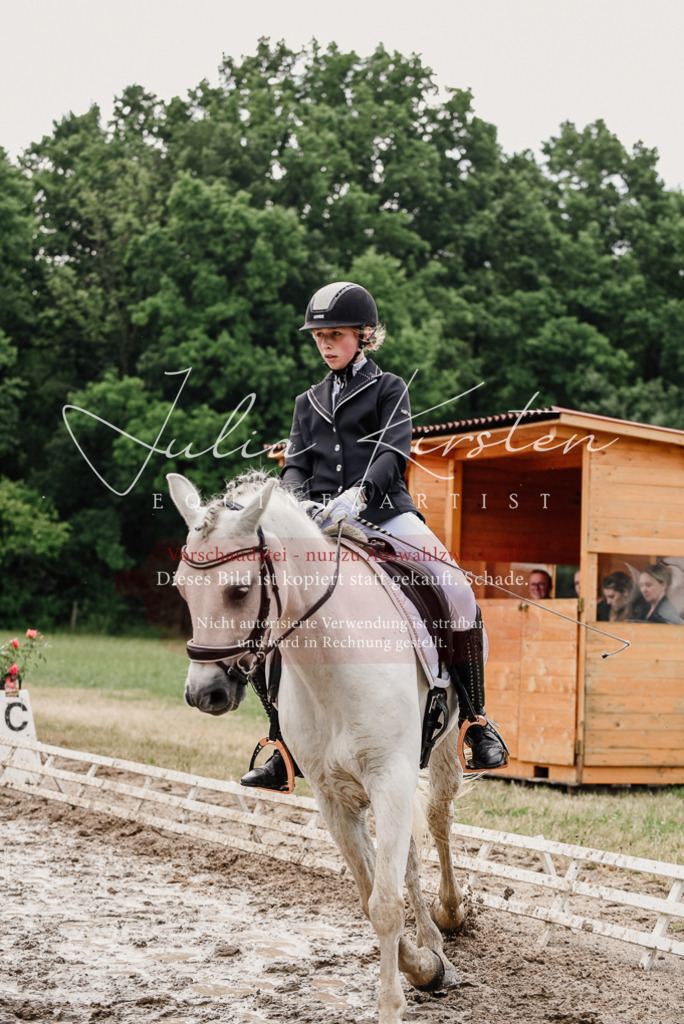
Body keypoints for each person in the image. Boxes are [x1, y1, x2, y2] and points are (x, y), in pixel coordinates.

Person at [240, 281, 508, 790]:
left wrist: (360, 495)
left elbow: (393, 451)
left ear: (363, 335)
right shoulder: (307, 401)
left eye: (335, 334)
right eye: (319, 336)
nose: (325, 343)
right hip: (320, 524)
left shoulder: (390, 389)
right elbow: (295, 465)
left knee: (455, 589)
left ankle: (475, 720)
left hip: (383, 514)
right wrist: (302, 504)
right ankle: (280, 740)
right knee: (268, 602)